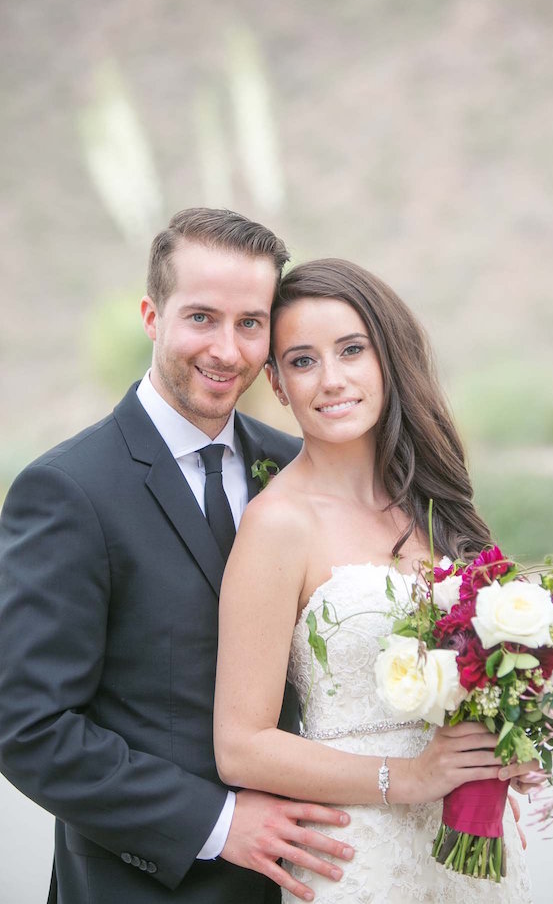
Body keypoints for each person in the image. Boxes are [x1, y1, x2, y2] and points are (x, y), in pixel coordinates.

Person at [0, 210, 355, 904]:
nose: (228, 349)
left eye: (251, 322)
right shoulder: (68, 489)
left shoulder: (295, 468)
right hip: (142, 886)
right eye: (202, 317)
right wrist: (217, 823)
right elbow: (28, 724)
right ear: (151, 315)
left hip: (306, 878)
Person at [214, 258, 536, 903]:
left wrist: (510, 739)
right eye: (302, 361)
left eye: (351, 350)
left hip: (466, 848)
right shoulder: (277, 524)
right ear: (276, 383)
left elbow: (488, 675)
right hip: (356, 855)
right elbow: (240, 747)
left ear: (387, 357)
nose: (331, 380)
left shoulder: (438, 505)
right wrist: (409, 777)